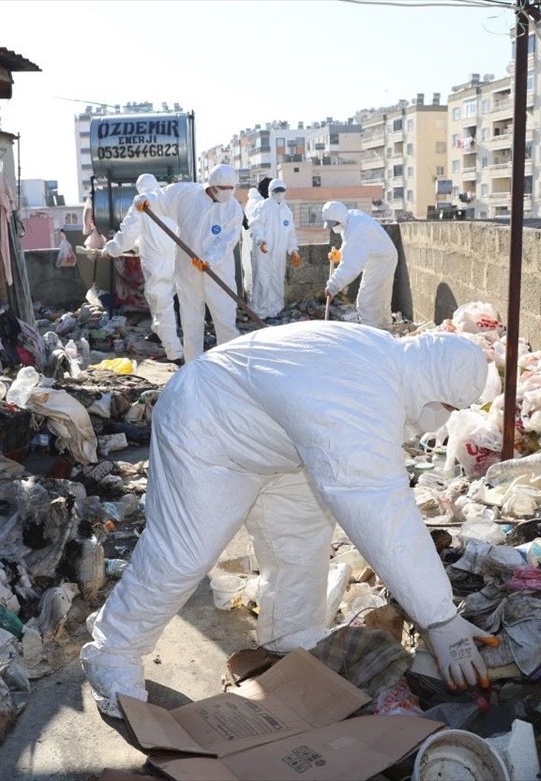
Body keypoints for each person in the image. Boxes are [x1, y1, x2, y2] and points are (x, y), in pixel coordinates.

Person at [81, 322, 494, 718]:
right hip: (206, 423)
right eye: (447, 407)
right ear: (432, 386)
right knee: (184, 553)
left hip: (276, 438)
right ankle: (112, 650)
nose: (443, 418)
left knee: (301, 539)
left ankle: (291, 637)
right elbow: (382, 511)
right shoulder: (361, 395)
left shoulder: (385, 357)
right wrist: (440, 618)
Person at [134, 163, 243, 362]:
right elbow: (160, 197)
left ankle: (229, 367)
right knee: (191, 322)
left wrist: (209, 259)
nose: (228, 192)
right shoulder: (186, 194)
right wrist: (144, 200)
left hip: (218, 272)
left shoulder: (234, 209)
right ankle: (194, 367)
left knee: (225, 321)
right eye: (224, 188)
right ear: (212, 186)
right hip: (187, 270)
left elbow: (227, 241)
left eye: (231, 188)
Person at [101, 174, 183, 362]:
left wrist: (111, 250)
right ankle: (158, 332)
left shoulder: (141, 203)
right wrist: (139, 245)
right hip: (178, 257)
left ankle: (174, 352)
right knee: (163, 299)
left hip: (157, 262)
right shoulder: (167, 198)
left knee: (161, 303)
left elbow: (128, 234)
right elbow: (149, 233)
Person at [321, 200, 398, 326]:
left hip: (381, 261)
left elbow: (351, 265)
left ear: (338, 218)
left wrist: (333, 285)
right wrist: (340, 254)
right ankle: (385, 330)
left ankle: (372, 335)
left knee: (366, 302)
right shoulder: (351, 218)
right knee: (380, 299)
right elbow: (351, 247)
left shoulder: (357, 227)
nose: (331, 226)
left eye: (331, 223)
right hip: (380, 258)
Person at [248, 179, 300, 319]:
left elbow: (290, 233)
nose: (279, 194)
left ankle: (276, 309)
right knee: (262, 279)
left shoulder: (286, 210)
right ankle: (260, 310)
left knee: (277, 279)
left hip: (279, 253)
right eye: (277, 191)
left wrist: (293, 250)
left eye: (282, 191)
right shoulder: (262, 207)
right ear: (271, 192)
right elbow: (255, 225)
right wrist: (261, 241)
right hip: (263, 251)